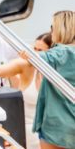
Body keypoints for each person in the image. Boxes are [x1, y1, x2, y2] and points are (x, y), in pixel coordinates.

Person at [0, 32, 53, 149]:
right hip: (22, 131)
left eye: (40, 50)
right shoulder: (26, 65)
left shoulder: (57, 75)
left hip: (47, 135)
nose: (35, 53)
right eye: (34, 48)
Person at [32, 11, 75, 149]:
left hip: (56, 126)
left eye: (52, 27)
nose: (51, 32)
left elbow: (36, 59)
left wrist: (26, 55)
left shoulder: (59, 52)